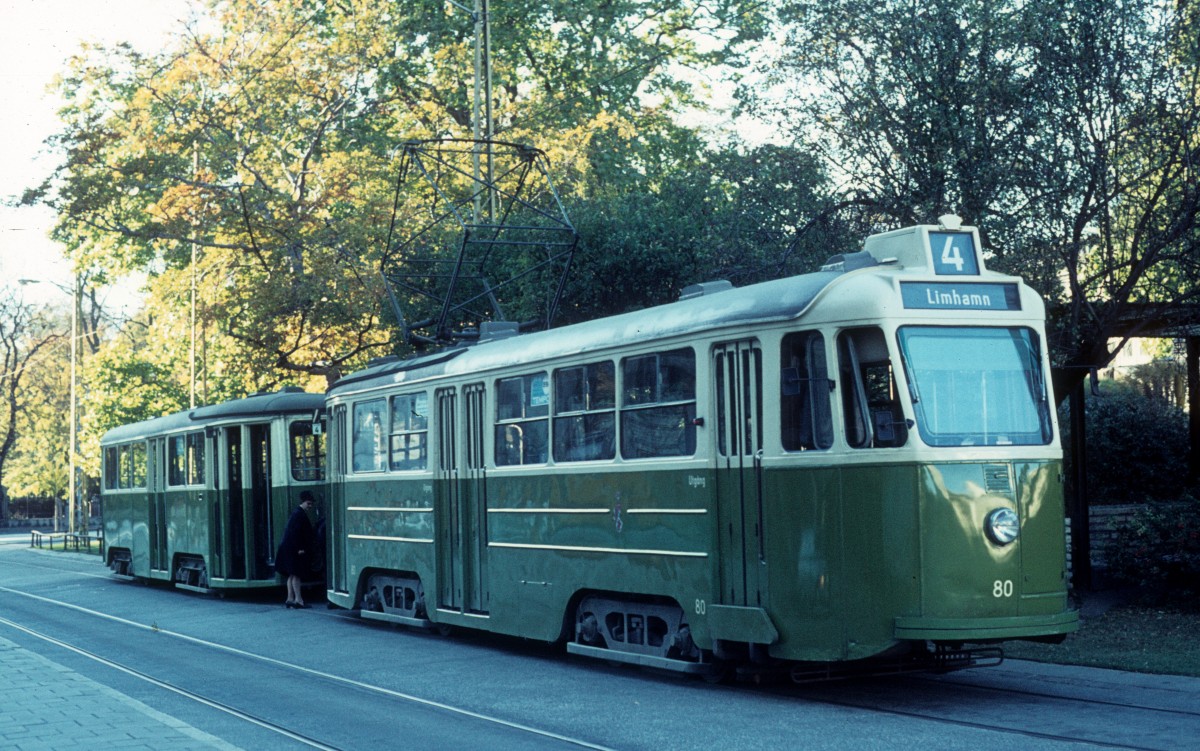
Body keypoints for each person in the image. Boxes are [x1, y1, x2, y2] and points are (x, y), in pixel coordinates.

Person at [276, 491, 316, 609]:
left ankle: (290, 599)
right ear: (303, 502)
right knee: (297, 574)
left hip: (288, 549)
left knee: (291, 574)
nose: (310, 506)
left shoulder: (296, 513)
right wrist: (300, 548)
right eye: (308, 503)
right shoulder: (299, 514)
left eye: (311, 504)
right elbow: (297, 533)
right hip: (295, 549)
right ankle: (299, 600)